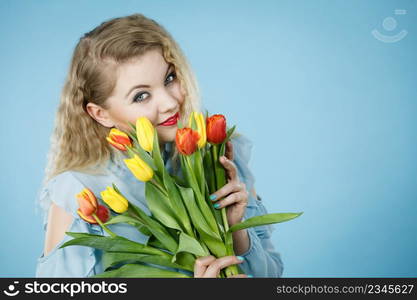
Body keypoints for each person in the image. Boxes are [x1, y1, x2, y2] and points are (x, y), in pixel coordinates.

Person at [36, 13, 284, 278]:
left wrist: (236, 229)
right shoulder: (78, 190)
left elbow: (273, 277)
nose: (168, 102)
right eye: (141, 96)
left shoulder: (220, 155)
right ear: (100, 114)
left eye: (170, 78)